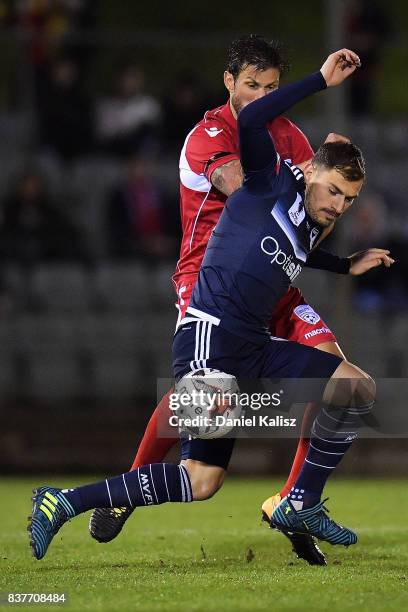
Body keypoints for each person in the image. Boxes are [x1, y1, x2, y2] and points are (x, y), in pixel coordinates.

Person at [28, 48, 391, 562]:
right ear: (309, 170)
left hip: (254, 343)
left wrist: (346, 263)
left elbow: (298, 248)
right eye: (334, 192)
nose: (338, 205)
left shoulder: (311, 215)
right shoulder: (268, 176)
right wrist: (320, 80)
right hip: (212, 339)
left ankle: (298, 503)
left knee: (354, 384)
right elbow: (257, 120)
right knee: (201, 480)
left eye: (348, 201)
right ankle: (64, 501)